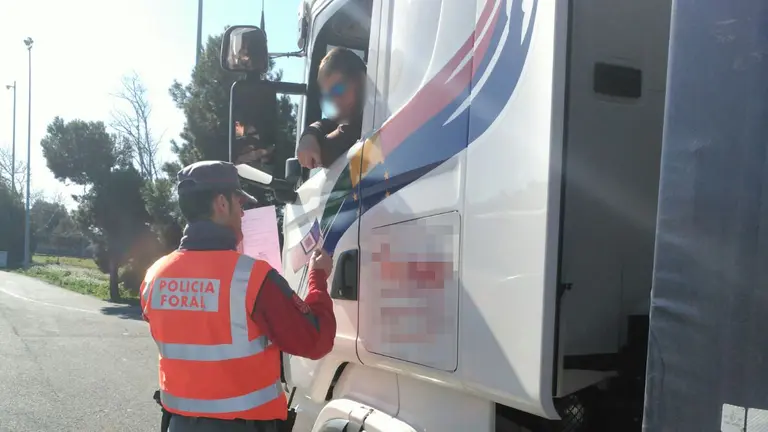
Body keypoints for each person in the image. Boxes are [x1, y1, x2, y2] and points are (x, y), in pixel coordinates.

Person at [140, 160, 336, 432]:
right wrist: (317, 278)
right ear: (222, 203)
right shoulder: (252, 277)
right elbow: (315, 341)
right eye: (240, 204)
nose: (243, 215)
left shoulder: (154, 276)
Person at [296, 47, 366, 169]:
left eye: (338, 89)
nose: (335, 101)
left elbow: (338, 139)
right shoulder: (353, 115)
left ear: (361, 82)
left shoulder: (365, 125)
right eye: (328, 95)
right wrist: (310, 134)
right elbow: (329, 124)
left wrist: (309, 141)